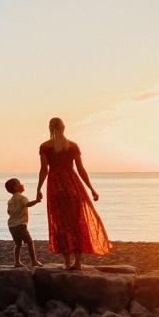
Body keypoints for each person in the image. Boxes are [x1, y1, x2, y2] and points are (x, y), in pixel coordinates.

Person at [35, 116, 111, 270]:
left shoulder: (45, 147)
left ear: (50, 128)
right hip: (73, 185)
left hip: (56, 187)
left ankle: (67, 262)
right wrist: (91, 188)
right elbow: (81, 170)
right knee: (77, 223)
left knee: (60, 224)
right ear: (64, 128)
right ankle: (77, 262)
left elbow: (44, 170)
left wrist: (38, 189)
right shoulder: (73, 146)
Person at [4, 177, 43, 268]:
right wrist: (37, 201)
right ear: (15, 188)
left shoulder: (10, 200)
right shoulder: (22, 198)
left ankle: (17, 262)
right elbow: (28, 204)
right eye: (20, 183)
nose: (22, 184)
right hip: (21, 225)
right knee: (29, 242)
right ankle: (34, 261)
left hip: (11, 225)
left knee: (18, 244)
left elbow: (9, 212)